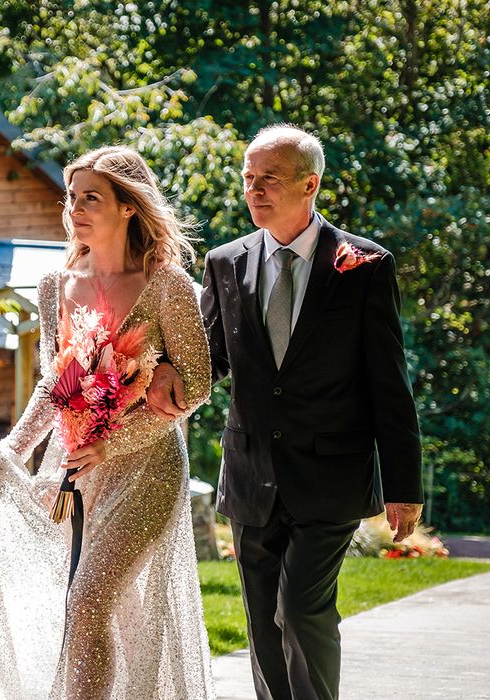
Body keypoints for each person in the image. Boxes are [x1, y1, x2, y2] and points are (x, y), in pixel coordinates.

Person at [147, 124, 423, 700]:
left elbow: (388, 385)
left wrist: (404, 483)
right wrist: (154, 375)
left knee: (300, 609)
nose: (255, 190)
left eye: (269, 179)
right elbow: (209, 358)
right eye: (248, 179)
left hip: (331, 477)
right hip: (251, 476)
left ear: (310, 184)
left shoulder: (365, 266)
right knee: (263, 624)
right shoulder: (226, 263)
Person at [0, 145, 215, 699]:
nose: (75, 209)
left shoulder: (168, 286)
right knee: (108, 610)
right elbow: (54, 385)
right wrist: (14, 449)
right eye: (71, 197)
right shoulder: (54, 286)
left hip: (147, 471)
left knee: (89, 601)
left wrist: (112, 442)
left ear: (129, 207)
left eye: (92, 197)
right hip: (73, 474)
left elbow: (197, 386)